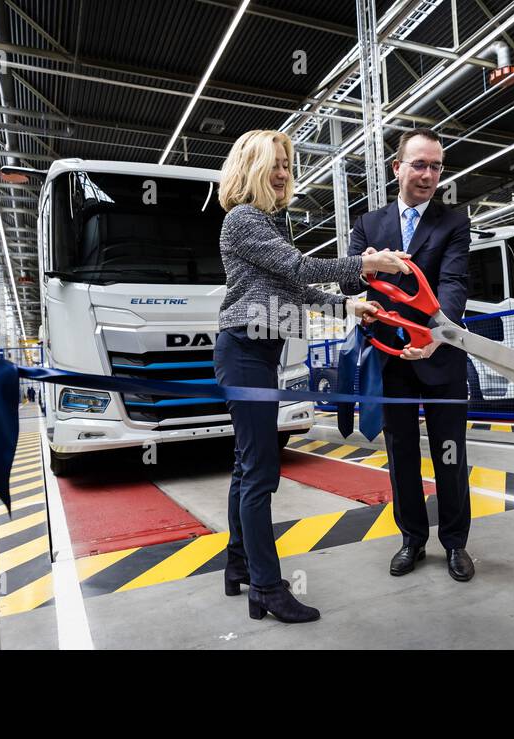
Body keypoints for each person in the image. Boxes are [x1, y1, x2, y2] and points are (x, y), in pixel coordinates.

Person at [215, 129, 408, 622]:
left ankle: (238, 565)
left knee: (247, 467)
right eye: (274, 163)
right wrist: (367, 264)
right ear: (250, 167)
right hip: (244, 352)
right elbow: (301, 268)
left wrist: (349, 304)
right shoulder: (243, 219)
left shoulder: (270, 224)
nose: (283, 173)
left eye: (286, 164)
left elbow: (296, 292)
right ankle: (266, 587)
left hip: (260, 350)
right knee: (261, 473)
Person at [339, 128, 475, 582]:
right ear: (397, 168)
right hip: (390, 357)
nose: (429, 174)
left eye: (436, 166)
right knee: (400, 455)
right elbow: (348, 284)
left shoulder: (453, 223)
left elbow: (454, 282)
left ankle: (455, 543)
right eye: (419, 164)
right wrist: (368, 273)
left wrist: (438, 332)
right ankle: (411, 540)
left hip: (440, 354)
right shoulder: (368, 225)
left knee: (450, 454)